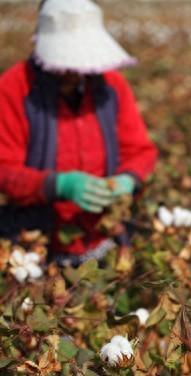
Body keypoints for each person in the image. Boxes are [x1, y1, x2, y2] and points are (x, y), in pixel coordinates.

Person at [0, 0, 157, 266]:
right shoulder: (13, 89)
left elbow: (140, 150)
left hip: (101, 236)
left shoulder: (111, 86)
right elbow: (4, 169)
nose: (75, 72)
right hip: (35, 243)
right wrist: (56, 185)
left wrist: (127, 180)